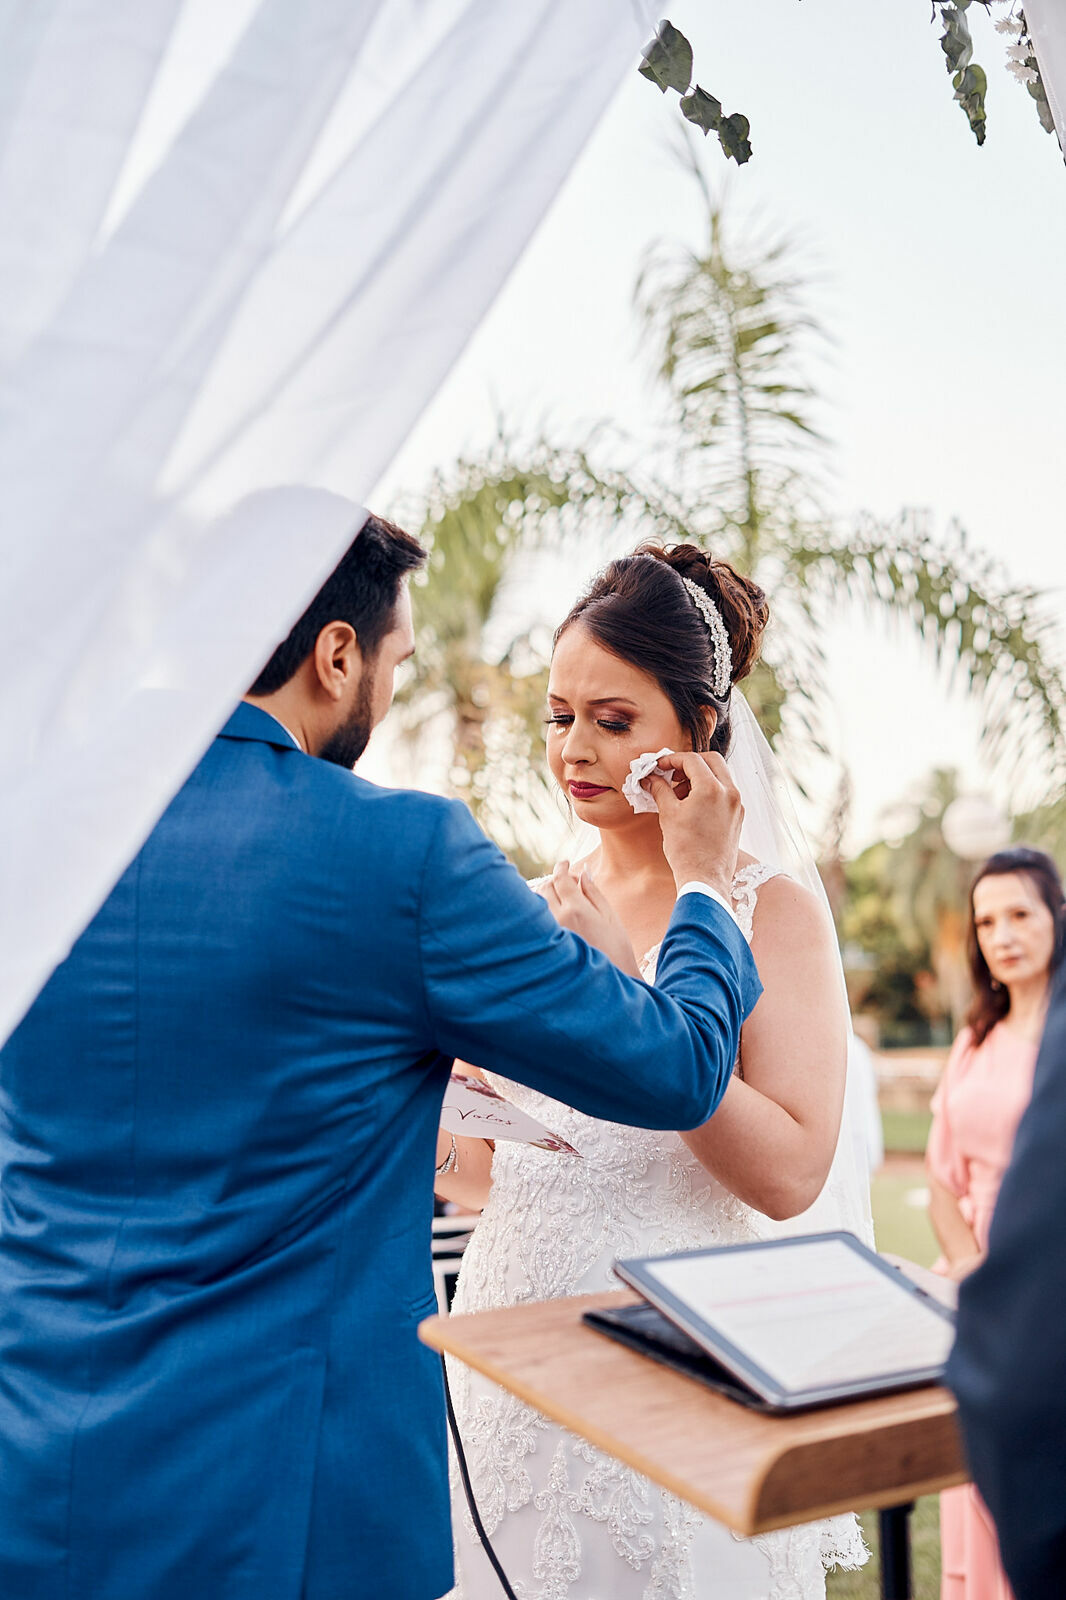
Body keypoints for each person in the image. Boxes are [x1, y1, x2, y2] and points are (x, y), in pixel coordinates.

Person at [0, 504, 763, 1600]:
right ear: (336, 653)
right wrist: (702, 885)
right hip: (294, 1506)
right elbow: (681, 1065)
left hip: (43, 1477)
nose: (392, 689)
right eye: (396, 658)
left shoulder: (31, 838)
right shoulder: (400, 854)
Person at [438, 545, 871, 1600]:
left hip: (678, 1349)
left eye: (612, 719)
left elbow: (787, 1176)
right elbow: (493, 1173)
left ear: (699, 732)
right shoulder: (530, 908)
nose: (573, 748)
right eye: (556, 715)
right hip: (511, 1353)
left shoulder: (770, 913)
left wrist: (638, 994)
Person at [931, 848, 1065, 1600]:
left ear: (1057, 919)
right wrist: (971, 1271)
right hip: (981, 1299)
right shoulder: (972, 1040)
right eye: (987, 920)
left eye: (1020, 913)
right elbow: (943, 1179)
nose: (1003, 934)